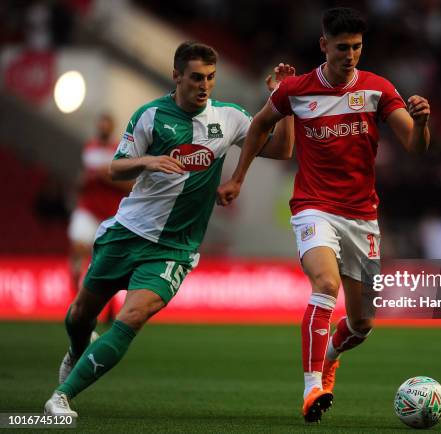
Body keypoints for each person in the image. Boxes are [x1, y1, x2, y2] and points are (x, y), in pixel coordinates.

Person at [44, 41, 295, 417]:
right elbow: (115, 168)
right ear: (177, 75)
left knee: (132, 316)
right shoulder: (149, 116)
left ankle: (62, 396)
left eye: (210, 77)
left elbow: (281, 150)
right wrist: (149, 161)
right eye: (196, 77)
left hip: (174, 247)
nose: (204, 85)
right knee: (80, 315)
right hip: (128, 231)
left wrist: (284, 102)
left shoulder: (228, 118)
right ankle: (77, 351)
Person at [217, 7, 430, 423]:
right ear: (323, 45)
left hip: (362, 217)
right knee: (325, 283)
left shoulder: (377, 89)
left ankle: (330, 357)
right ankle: (312, 386)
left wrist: (422, 124)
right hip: (314, 207)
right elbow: (260, 125)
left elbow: (414, 145)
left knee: (363, 322)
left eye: (356, 47)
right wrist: (238, 177)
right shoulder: (296, 90)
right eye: (342, 47)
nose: (350, 55)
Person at [68, 113, 133, 321]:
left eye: (107, 125)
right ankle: (75, 305)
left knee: (107, 262)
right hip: (87, 209)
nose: (103, 128)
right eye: (101, 124)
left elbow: (130, 185)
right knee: (78, 253)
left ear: (112, 127)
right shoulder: (89, 149)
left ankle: (111, 307)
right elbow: (83, 179)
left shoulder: (120, 152)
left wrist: (106, 177)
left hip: (111, 213)